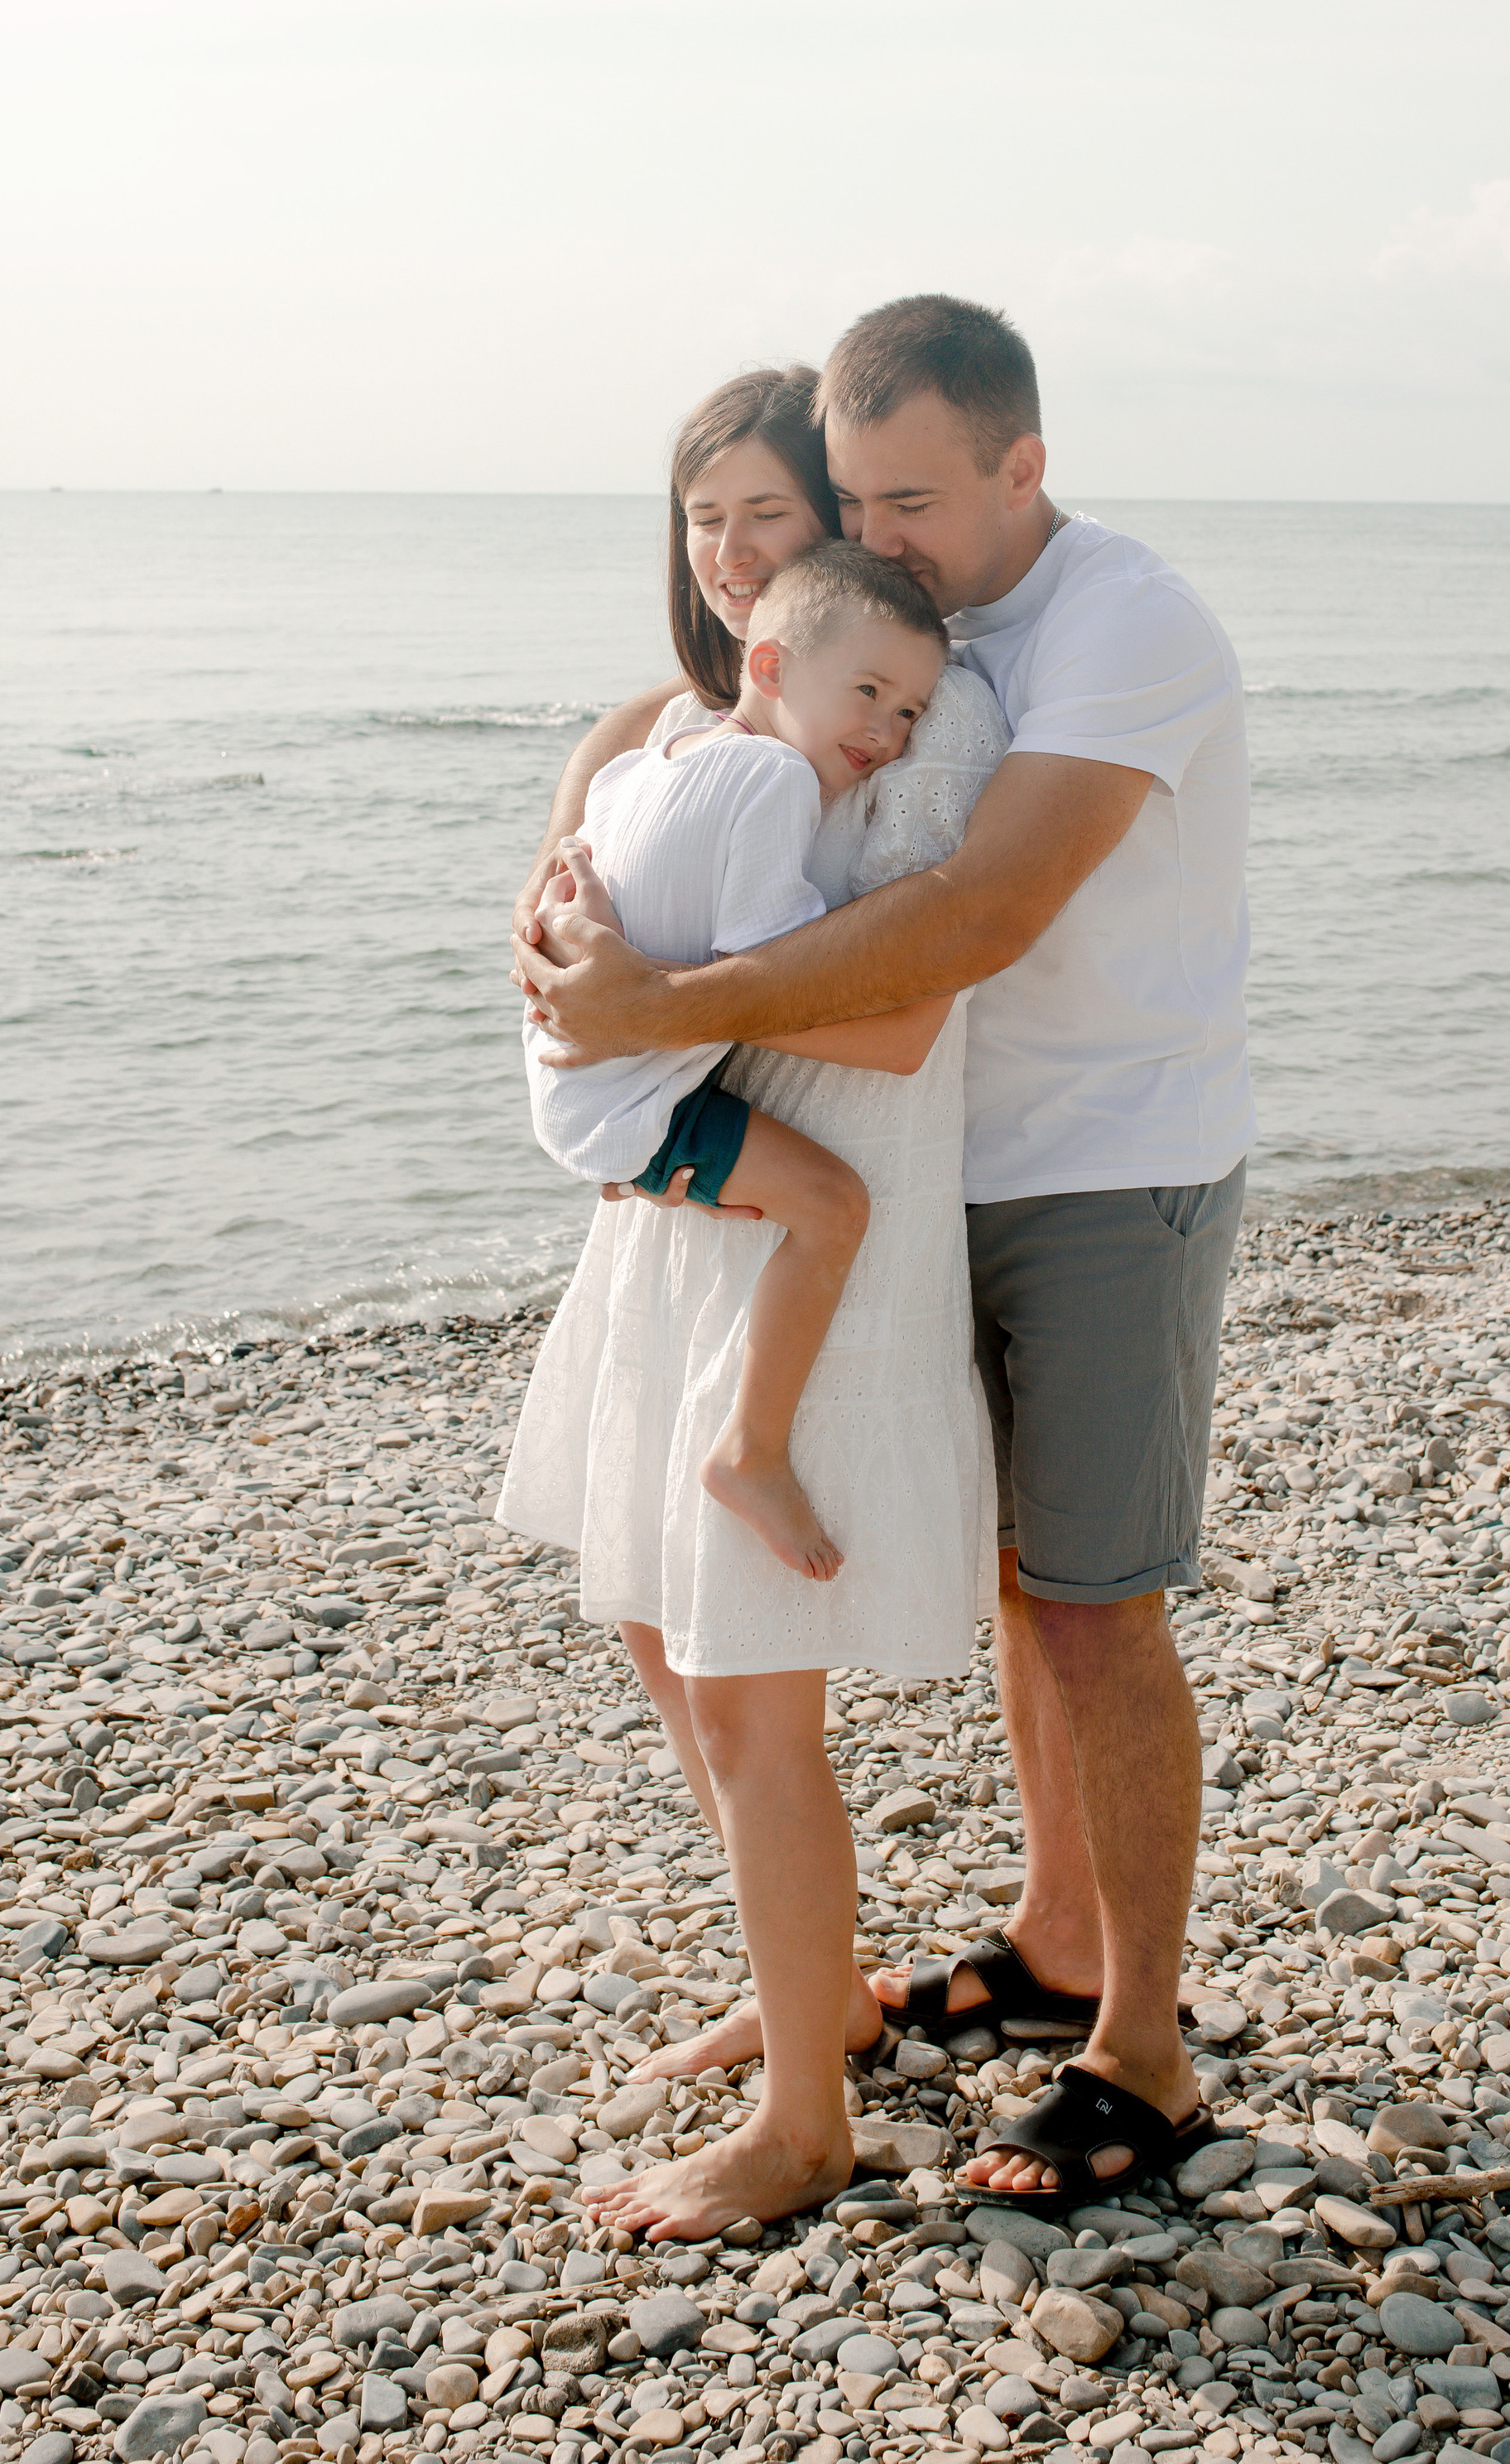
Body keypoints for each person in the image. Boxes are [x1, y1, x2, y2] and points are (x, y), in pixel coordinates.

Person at [518, 294, 1253, 2217]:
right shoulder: (850, 652)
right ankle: (1051, 1940)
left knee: (1094, 1601)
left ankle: (1140, 2052)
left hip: (1101, 1159)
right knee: (1027, 1588)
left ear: (1022, 463)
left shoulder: (1106, 629)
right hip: (931, 1179)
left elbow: (976, 917)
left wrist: (649, 1009)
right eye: (846, 498)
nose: (869, 535)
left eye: (896, 497)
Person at [499, 363, 1011, 2241]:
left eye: (763, 513)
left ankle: (807, 2120)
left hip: (809, 1234)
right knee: (659, 1634)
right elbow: (544, 948)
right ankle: (817, 1992)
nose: (725, 551)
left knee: (748, 1684)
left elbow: (895, 1010)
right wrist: (596, 1024)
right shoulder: (656, 723)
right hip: (665, 1211)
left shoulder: (893, 736)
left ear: (845, 529)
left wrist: (646, 1006)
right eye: (699, 512)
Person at [522, 541, 950, 1579]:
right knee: (836, 1207)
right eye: (866, 691)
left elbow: (576, 876)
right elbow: (772, 962)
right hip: (633, 1106)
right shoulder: (769, 782)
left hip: (575, 1084)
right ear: (766, 669)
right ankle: (751, 1451)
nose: (887, 733)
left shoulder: (653, 761)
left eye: (909, 712)